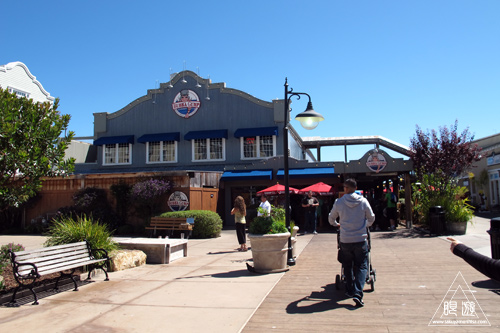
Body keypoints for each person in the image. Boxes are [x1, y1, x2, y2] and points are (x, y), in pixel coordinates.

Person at [328, 179, 375, 307]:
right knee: (361, 265)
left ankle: (349, 289)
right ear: (355, 188)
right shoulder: (363, 201)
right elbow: (371, 217)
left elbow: (331, 218)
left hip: (345, 238)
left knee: (347, 265)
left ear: (346, 188)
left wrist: (337, 225)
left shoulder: (339, 202)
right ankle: (358, 293)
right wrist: (364, 225)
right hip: (360, 238)